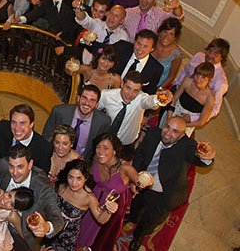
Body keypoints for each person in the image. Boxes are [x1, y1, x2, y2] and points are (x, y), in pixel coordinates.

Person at [128, 117, 216, 251]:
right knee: (136, 204)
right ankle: (132, 218)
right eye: (167, 127)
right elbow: (140, 154)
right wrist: (134, 178)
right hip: (143, 183)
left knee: (150, 220)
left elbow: (198, 159)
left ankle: (137, 238)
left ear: (182, 135)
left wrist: (207, 158)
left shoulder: (187, 146)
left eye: (175, 131)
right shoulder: (153, 134)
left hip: (163, 193)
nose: (167, 133)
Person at [76, 133, 146, 250]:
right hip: (96, 197)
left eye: (106, 148)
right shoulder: (96, 160)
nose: (100, 151)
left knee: (102, 237)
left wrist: (142, 182)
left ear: (114, 151)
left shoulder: (125, 168)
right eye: (98, 147)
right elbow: (90, 176)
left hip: (114, 205)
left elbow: (139, 181)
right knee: (86, 226)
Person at [0, 145, 65, 251]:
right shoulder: (4, 165)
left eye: (20, 167)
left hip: (22, 241)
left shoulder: (43, 187)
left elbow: (58, 219)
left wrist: (46, 227)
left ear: (30, 164)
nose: (14, 172)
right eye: (11, 166)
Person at [44, 159, 118, 251]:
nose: (74, 183)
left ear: (85, 178)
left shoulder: (89, 197)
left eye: (79, 178)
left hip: (67, 237)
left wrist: (108, 211)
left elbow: (100, 219)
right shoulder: (60, 186)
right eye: (71, 177)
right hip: (50, 227)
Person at [98, 71, 172, 159]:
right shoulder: (106, 95)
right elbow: (95, 111)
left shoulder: (141, 99)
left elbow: (150, 101)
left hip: (125, 145)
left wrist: (160, 99)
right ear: (122, 84)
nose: (130, 94)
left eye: (135, 91)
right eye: (128, 88)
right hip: (104, 140)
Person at [42, 84, 111, 161]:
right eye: (84, 98)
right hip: (55, 158)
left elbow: (98, 148)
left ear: (96, 105)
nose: (87, 103)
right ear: (78, 98)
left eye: (92, 100)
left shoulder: (103, 122)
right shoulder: (59, 112)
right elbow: (47, 137)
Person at [173, 38, 229, 121]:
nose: (210, 55)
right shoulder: (199, 56)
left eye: (215, 54)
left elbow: (215, 109)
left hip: (191, 108)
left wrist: (192, 118)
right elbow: (185, 71)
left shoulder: (221, 82)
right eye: (209, 51)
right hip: (179, 91)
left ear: (222, 58)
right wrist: (175, 86)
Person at [0, 104, 52, 173]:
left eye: (22, 123)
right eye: (14, 122)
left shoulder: (44, 148)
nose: (17, 128)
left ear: (31, 124)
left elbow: (41, 176)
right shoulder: (3, 128)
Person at [72, 0, 128, 64]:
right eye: (111, 13)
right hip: (85, 65)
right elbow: (84, 19)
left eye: (116, 16)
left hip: (104, 71)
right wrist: (78, 8)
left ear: (121, 21)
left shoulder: (123, 37)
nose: (112, 17)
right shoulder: (97, 23)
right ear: (107, 14)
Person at [169, 62, 215, 135]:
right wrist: (170, 117)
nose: (198, 79)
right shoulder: (187, 82)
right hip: (173, 113)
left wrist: (182, 125)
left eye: (203, 77)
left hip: (187, 125)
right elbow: (174, 100)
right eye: (197, 75)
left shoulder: (209, 99)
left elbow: (201, 122)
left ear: (210, 79)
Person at [113, 29, 164, 95]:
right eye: (138, 43)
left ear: (152, 49)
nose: (140, 49)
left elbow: (149, 93)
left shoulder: (156, 69)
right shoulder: (121, 47)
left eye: (145, 46)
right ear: (134, 42)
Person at [152, 17, 183, 87]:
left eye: (171, 34)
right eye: (165, 32)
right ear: (160, 32)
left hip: (157, 87)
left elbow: (170, 77)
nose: (167, 36)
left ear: (175, 37)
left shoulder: (177, 55)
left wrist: (157, 91)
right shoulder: (152, 42)